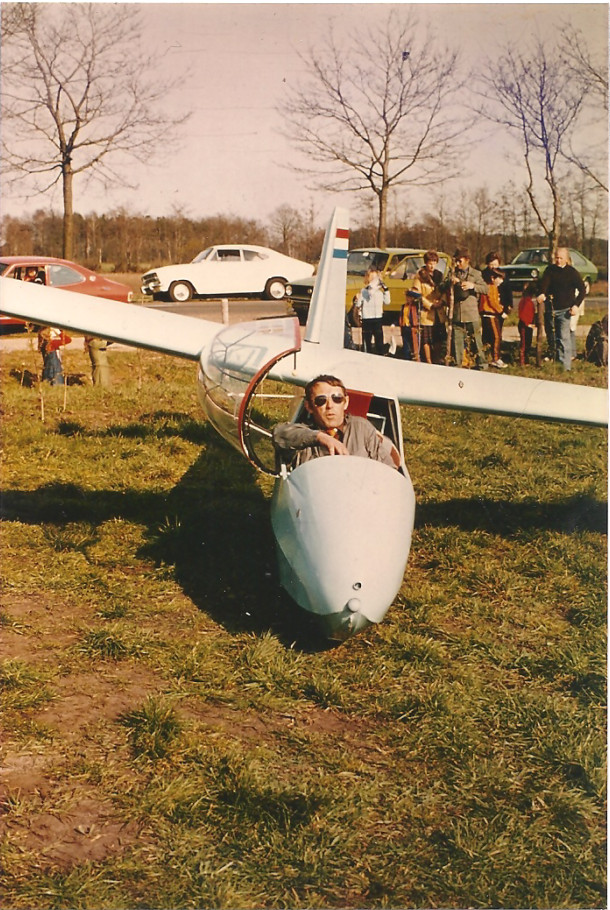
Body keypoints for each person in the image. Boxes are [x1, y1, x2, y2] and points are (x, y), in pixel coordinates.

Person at [272, 374, 398, 469]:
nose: (330, 406)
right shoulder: (303, 434)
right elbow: (279, 434)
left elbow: (389, 470)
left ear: (346, 402)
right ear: (309, 407)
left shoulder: (362, 428)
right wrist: (320, 438)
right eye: (321, 400)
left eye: (337, 398)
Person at [536, 248, 586, 371]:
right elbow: (544, 286)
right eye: (556, 258)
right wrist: (542, 294)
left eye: (561, 258)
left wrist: (575, 305)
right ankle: (558, 362)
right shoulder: (550, 270)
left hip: (565, 311)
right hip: (551, 309)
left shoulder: (572, 272)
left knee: (564, 338)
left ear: (567, 259)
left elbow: (582, 290)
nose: (558, 260)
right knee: (554, 338)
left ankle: (566, 367)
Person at [443, 249, 488, 370]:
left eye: (460, 261)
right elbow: (442, 286)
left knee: (476, 342)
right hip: (457, 314)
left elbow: (485, 289)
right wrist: (449, 282)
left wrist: (472, 286)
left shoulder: (476, 274)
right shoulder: (452, 273)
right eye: (456, 261)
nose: (457, 263)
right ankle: (457, 366)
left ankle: (482, 365)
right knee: (457, 343)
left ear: (467, 260)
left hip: (471, 314)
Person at [410, 250, 446, 364]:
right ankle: (428, 360)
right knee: (426, 339)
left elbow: (444, 290)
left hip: (439, 312)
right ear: (426, 262)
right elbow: (417, 294)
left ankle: (437, 359)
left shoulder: (439, 275)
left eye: (434, 262)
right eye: (430, 262)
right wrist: (430, 304)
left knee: (438, 338)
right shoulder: (420, 276)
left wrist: (441, 301)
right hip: (426, 312)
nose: (432, 265)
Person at [352, 269, 390, 355]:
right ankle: (368, 353)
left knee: (378, 339)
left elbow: (387, 301)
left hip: (377, 318)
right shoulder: (364, 291)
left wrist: (386, 290)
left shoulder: (379, 293)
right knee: (367, 339)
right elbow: (358, 304)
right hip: (368, 318)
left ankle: (379, 353)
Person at [479, 268, 507, 368]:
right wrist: (501, 311)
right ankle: (496, 358)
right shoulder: (491, 287)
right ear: (492, 278)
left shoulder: (489, 287)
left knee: (487, 338)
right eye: (500, 278)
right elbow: (492, 301)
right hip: (490, 314)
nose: (502, 281)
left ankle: (487, 357)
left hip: (486, 314)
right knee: (496, 337)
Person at [517, 282, 537, 366]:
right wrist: (527, 323)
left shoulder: (526, 300)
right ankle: (522, 361)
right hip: (525, 325)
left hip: (527, 324)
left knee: (527, 343)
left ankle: (525, 360)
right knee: (524, 344)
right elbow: (523, 315)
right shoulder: (526, 302)